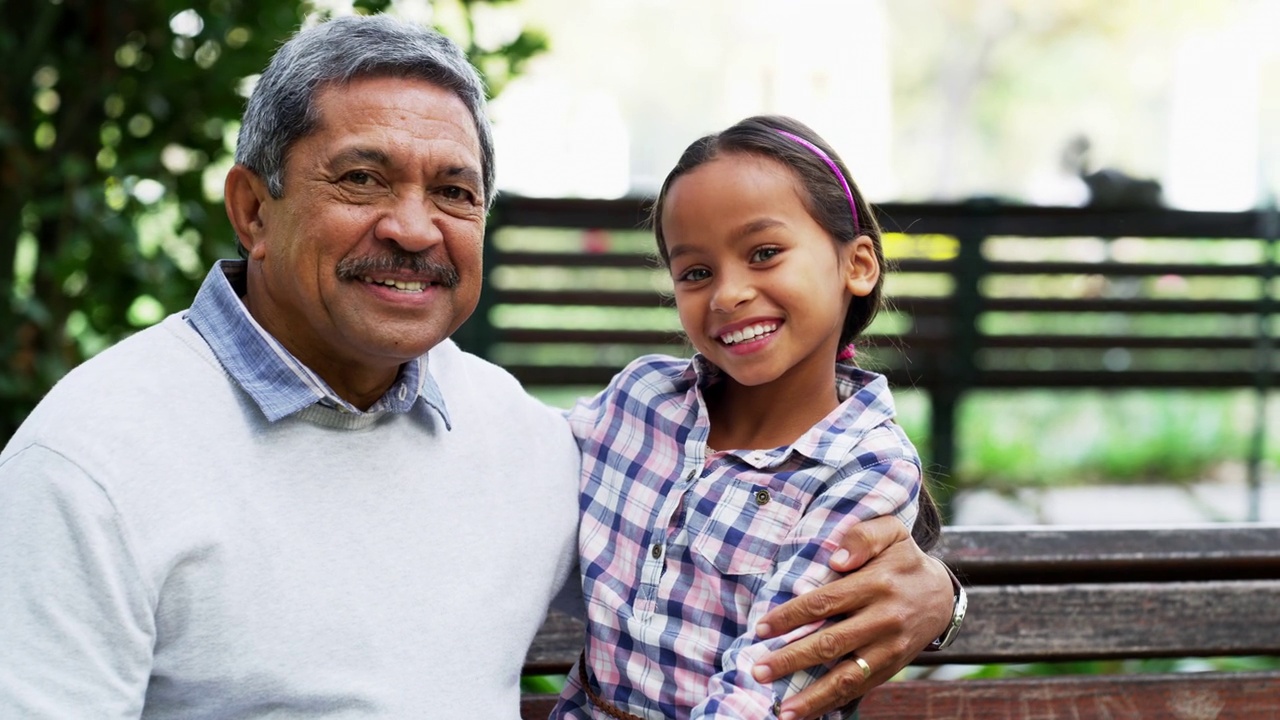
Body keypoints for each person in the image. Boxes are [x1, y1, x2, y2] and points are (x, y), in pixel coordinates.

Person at [0, 14, 959, 720]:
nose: (413, 227)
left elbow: (698, 552)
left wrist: (938, 593)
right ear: (253, 209)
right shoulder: (94, 459)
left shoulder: (508, 432)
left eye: (453, 191)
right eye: (363, 178)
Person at [552, 116, 941, 720]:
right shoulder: (642, 400)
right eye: (696, 273)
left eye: (764, 253)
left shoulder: (866, 467)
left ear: (857, 265)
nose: (727, 293)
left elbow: (764, 684)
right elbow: (510, 453)